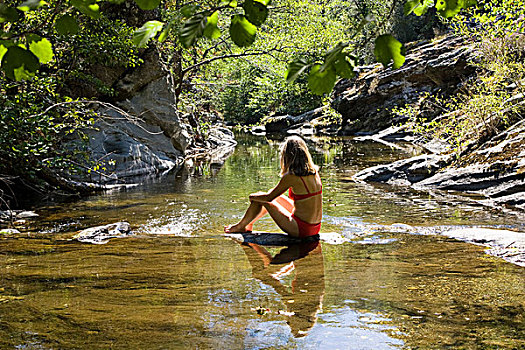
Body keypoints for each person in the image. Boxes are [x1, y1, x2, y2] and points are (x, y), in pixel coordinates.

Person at [224, 135, 322, 238]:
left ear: (287, 156)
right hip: (315, 227)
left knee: (262, 199)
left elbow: (268, 198)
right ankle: (247, 224)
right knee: (271, 195)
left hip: (301, 229)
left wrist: (252, 197)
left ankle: (241, 226)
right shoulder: (314, 172)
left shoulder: (292, 176)